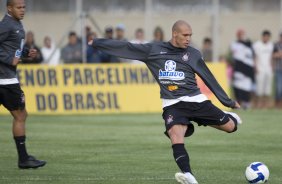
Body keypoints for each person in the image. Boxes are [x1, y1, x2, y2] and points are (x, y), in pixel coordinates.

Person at [89, 20, 241, 184]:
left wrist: (227, 101)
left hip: (196, 101)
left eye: (190, 35)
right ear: (174, 33)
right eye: (185, 35)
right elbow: (126, 47)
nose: (188, 38)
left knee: (231, 127)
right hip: (172, 104)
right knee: (175, 135)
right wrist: (97, 42)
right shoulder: (153, 50)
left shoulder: (193, 54)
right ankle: (188, 175)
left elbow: (208, 77)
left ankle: (224, 115)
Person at [0, 0, 46, 169]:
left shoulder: (15, 24)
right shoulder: (7, 25)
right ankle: (24, 159)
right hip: (6, 81)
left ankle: (24, 158)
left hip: (6, 79)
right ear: (9, 8)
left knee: (21, 116)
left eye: (24, 7)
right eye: (18, 7)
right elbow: (7, 54)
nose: (22, 10)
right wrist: (7, 59)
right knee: (20, 116)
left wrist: (26, 52)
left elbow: (11, 47)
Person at [230, 29, 255, 109]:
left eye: (243, 34)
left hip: (247, 68)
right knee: (237, 86)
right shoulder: (234, 44)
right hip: (238, 68)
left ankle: (246, 103)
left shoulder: (249, 44)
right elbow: (235, 56)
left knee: (247, 86)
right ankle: (238, 103)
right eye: (240, 34)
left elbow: (252, 56)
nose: (241, 36)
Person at [253, 30, 274, 109]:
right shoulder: (257, 45)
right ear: (263, 36)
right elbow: (255, 57)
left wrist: (272, 67)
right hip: (260, 69)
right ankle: (258, 104)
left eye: (268, 37)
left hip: (268, 69)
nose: (266, 38)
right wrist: (256, 67)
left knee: (267, 88)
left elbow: (271, 57)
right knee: (259, 88)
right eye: (265, 36)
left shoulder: (270, 45)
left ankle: (265, 105)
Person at [272, 33, 282, 108]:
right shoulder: (276, 45)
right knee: (279, 87)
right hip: (278, 69)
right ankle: (277, 104)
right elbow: (273, 55)